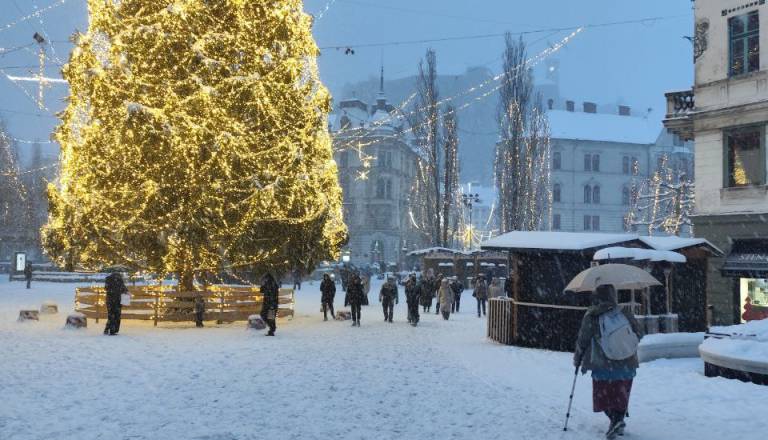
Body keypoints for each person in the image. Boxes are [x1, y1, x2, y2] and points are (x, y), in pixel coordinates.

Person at [574, 285, 641, 439]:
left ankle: (615, 420)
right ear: (613, 296)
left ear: (596, 297)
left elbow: (582, 341)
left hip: (603, 365)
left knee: (603, 397)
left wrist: (578, 359)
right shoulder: (625, 313)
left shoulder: (592, 315)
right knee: (621, 395)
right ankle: (619, 420)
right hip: (627, 363)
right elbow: (639, 332)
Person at [104, 271, 127, 335]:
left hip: (110, 301)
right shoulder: (119, 280)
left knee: (111, 316)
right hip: (117, 301)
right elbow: (124, 289)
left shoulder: (108, 279)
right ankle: (113, 331)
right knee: (116, 316)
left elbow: (106, 288)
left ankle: (107, 330)